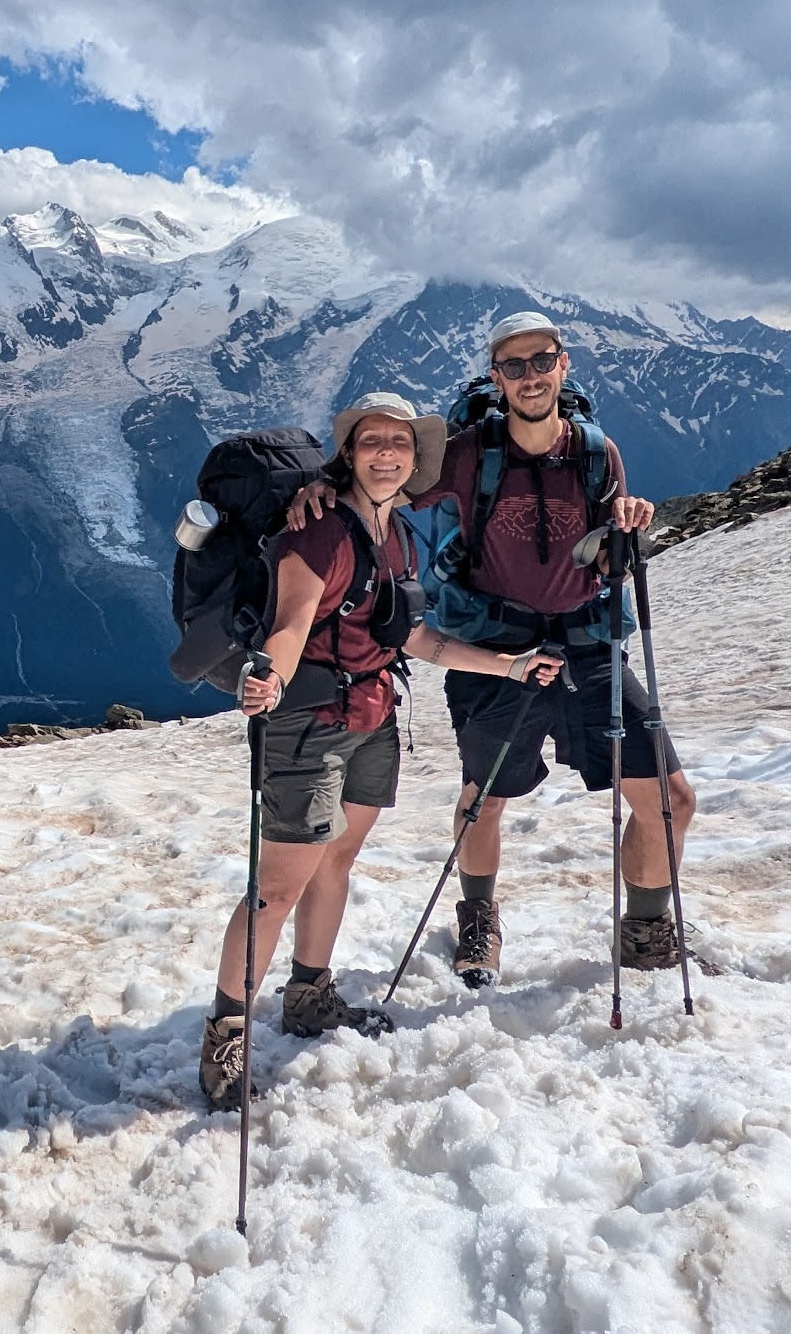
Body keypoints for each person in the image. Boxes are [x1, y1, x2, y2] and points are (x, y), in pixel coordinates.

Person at [292, 312, 697, 991]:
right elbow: (384, 479)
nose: (530, 376)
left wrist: (629, 516)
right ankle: (478, 914)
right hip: (494, 648)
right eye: (514, 367)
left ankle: (646, 933)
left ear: (564, 365)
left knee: (670, 800)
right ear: (496, 377)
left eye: (541, 362)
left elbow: (607, 540)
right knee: (484, 797)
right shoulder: (466, 454)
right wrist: (322, 487)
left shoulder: (599, 454)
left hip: (588, 645)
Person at [200, 392, 561, 1111]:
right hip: (311, 727)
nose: (387, 453)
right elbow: (293, 620)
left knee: (336, 859)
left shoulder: (395, 534)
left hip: (374, 719)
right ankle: (226, 1035)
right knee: (277, 888)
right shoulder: (320, 534)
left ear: (415, 456)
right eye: (373, 441)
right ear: (349, 451)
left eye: (400, 442)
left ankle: (309, 994)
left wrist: (508, 666)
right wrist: (268, 676)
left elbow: (412, 637)